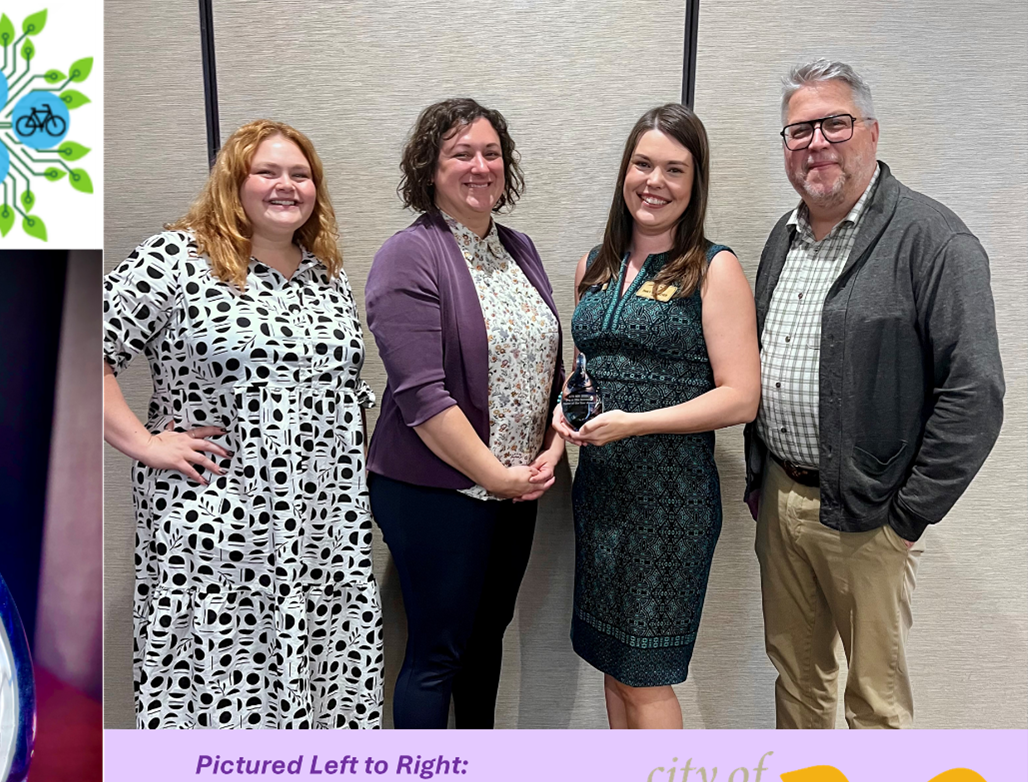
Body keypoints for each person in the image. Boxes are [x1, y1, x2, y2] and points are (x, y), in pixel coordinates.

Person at [746, 59, 1004, 729]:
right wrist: (759, 485)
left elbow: (975, 392)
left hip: (870, 519)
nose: (816, 143)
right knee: (798, 685)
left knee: (874, 705)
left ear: (872, 133)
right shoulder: (784, 237)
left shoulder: (934, 241)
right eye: (799, 130)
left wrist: (906, 517)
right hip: (782, 501)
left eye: (836, 123)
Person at [102, 119, 382, 729]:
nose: (287, 186)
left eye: (301, 175)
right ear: (235, 181)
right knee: (217, 696)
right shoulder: (176, 259)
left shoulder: (326, 275)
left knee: (325, 687)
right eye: (268, 172)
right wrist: (148, 444)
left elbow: (343, 390)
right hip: (218, 536)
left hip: (324, 537)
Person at [550, 103, 759, 730]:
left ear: (694, 185)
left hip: (670, 502)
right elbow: (588, 371)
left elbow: (741, 395)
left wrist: (636, 421)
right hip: (602, 492)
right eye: (643, 164)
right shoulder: (595, 265)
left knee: (646, 678)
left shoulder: (712, 268)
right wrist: (569, 407)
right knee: (612, 667)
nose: (655, 182)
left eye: (675, 169)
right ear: (624, 171)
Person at [365, 98, 563, 730]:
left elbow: (548, 365)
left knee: (487, 640)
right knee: (437, 654)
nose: (480, 166)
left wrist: (551, 447)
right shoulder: (409, 255)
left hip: (518, 487)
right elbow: (421, 396)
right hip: (438, 489)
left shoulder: (519, 248)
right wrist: (495, 476)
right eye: (461, 153)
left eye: (491, 153)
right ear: (430, 167)